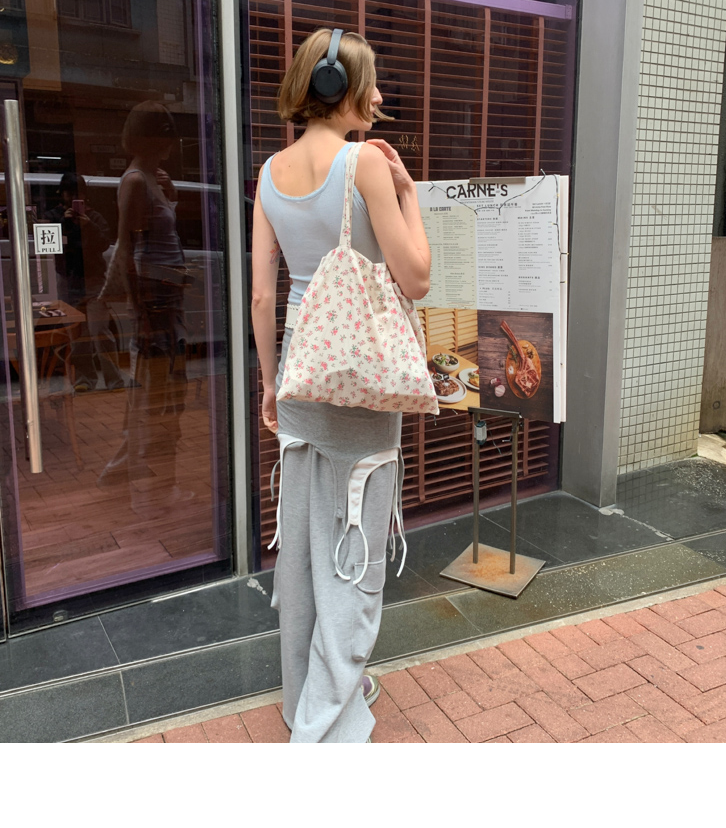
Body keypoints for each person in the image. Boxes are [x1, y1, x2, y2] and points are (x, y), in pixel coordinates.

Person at [252, 28, 431, 743]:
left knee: (301, 550)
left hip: (301, 371)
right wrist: (409, 194)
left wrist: (270, 384)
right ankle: (324, 726)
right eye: (372, 83)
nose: (380, 96)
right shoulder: (367, 164)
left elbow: (262, 296)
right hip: (361, 380)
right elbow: (416, 278)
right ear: (341, 89)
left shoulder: (269, 173)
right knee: (354, 546)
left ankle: (305, 696)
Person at [97, 101, 191, 508]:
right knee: (157, 394)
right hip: (154, 305)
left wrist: (171, 196)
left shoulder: (151, 179)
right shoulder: (136, 181)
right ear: (151, 139)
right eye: (165, 135)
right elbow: (128, 251)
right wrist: (142, 315)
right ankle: (151, 487)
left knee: (158, 390)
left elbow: (156, 236)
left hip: (165, 302)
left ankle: (126, 470)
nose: (171, 144)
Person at [43, 173, 123, 391]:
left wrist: (88, 225)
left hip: (94, 280)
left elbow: (104, 244)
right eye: (69, 192)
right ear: (62, 194)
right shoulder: (53, 216)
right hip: (68, 280)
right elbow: (47, 247)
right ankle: (84, 380)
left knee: (100, 331)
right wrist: (63, 222)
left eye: (77, 193)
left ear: (85, 195)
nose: (73, 197)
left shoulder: (94, 217)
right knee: (76, 334)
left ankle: (114, 380)